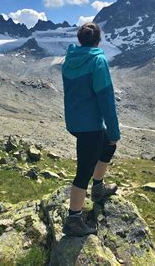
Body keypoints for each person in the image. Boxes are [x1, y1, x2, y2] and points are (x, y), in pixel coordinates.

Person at [61, 22, 121, 237]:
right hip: (90, 126)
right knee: (84, 170)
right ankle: (73, 219)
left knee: (107, 146)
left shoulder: (70, 60)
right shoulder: (98, 59)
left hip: (75, 122)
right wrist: (114, 130)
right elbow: (106, 99)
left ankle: (98, 188)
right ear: (98, 40)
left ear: (80, 40)